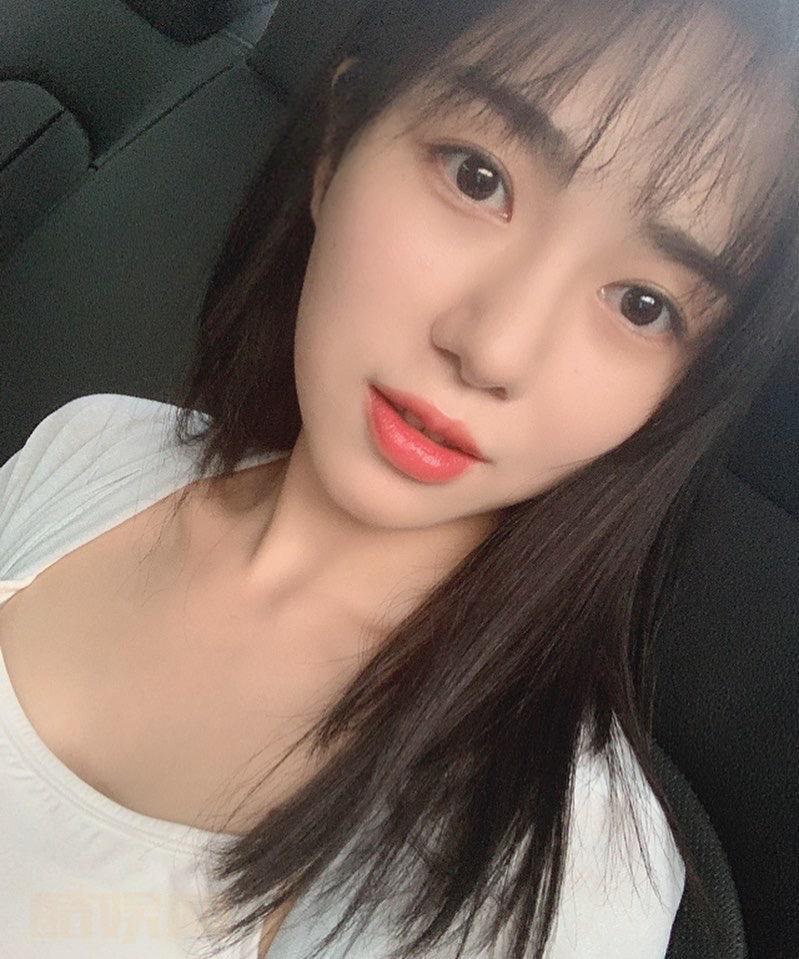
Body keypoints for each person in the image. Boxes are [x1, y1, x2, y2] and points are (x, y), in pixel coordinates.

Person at [0, 0, 796, 957]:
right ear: (336, 145)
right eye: (477, 176)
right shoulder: (93, 443)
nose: (493, 348)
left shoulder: (554, 877)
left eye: (641, 304)